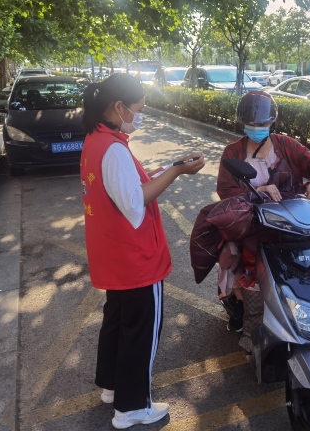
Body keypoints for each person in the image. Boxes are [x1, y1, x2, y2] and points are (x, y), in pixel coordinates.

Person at [80, 73, 205, 429]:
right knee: (140, 332)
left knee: (118, 321)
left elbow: (126, 185)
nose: (141, 116)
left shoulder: (97, 139)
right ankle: (133, 407)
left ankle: (112, 386)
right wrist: (177, 172)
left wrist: (171, 166)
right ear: (118, 107)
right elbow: (135, 202)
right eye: (139, 109)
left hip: (114, 256)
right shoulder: (114, 149)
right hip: (135, 259)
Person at [217, 90, 310, 352]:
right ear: (242, 123)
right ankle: (248, 321)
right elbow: (225, 190)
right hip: (253, 225)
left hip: (291, 225)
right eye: (251, 124)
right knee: (240, 259)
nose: (256, 129)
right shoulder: (233, 152)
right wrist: (257, 191)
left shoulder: (287, 146)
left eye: (262, 124)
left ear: (273, 121)